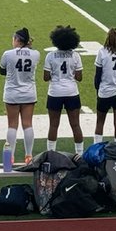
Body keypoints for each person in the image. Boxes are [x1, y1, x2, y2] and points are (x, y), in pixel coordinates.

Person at [0, 28, 39, 164]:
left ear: (17, 39)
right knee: (28, 124)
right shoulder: (35, 54)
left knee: (12, 125)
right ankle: (28, 155)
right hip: (29, 92)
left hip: (12, 93)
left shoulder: (8, 54)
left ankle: (10, 156)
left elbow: (2, 70)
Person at [43, 25, 83, 154]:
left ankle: (50, 153)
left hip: (55, 92)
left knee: (53, 125)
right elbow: (79, 77)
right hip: (72, 92)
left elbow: (45, 77)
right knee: (75, 125)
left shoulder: (50, 56)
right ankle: (79, 154)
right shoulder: (76, 56)